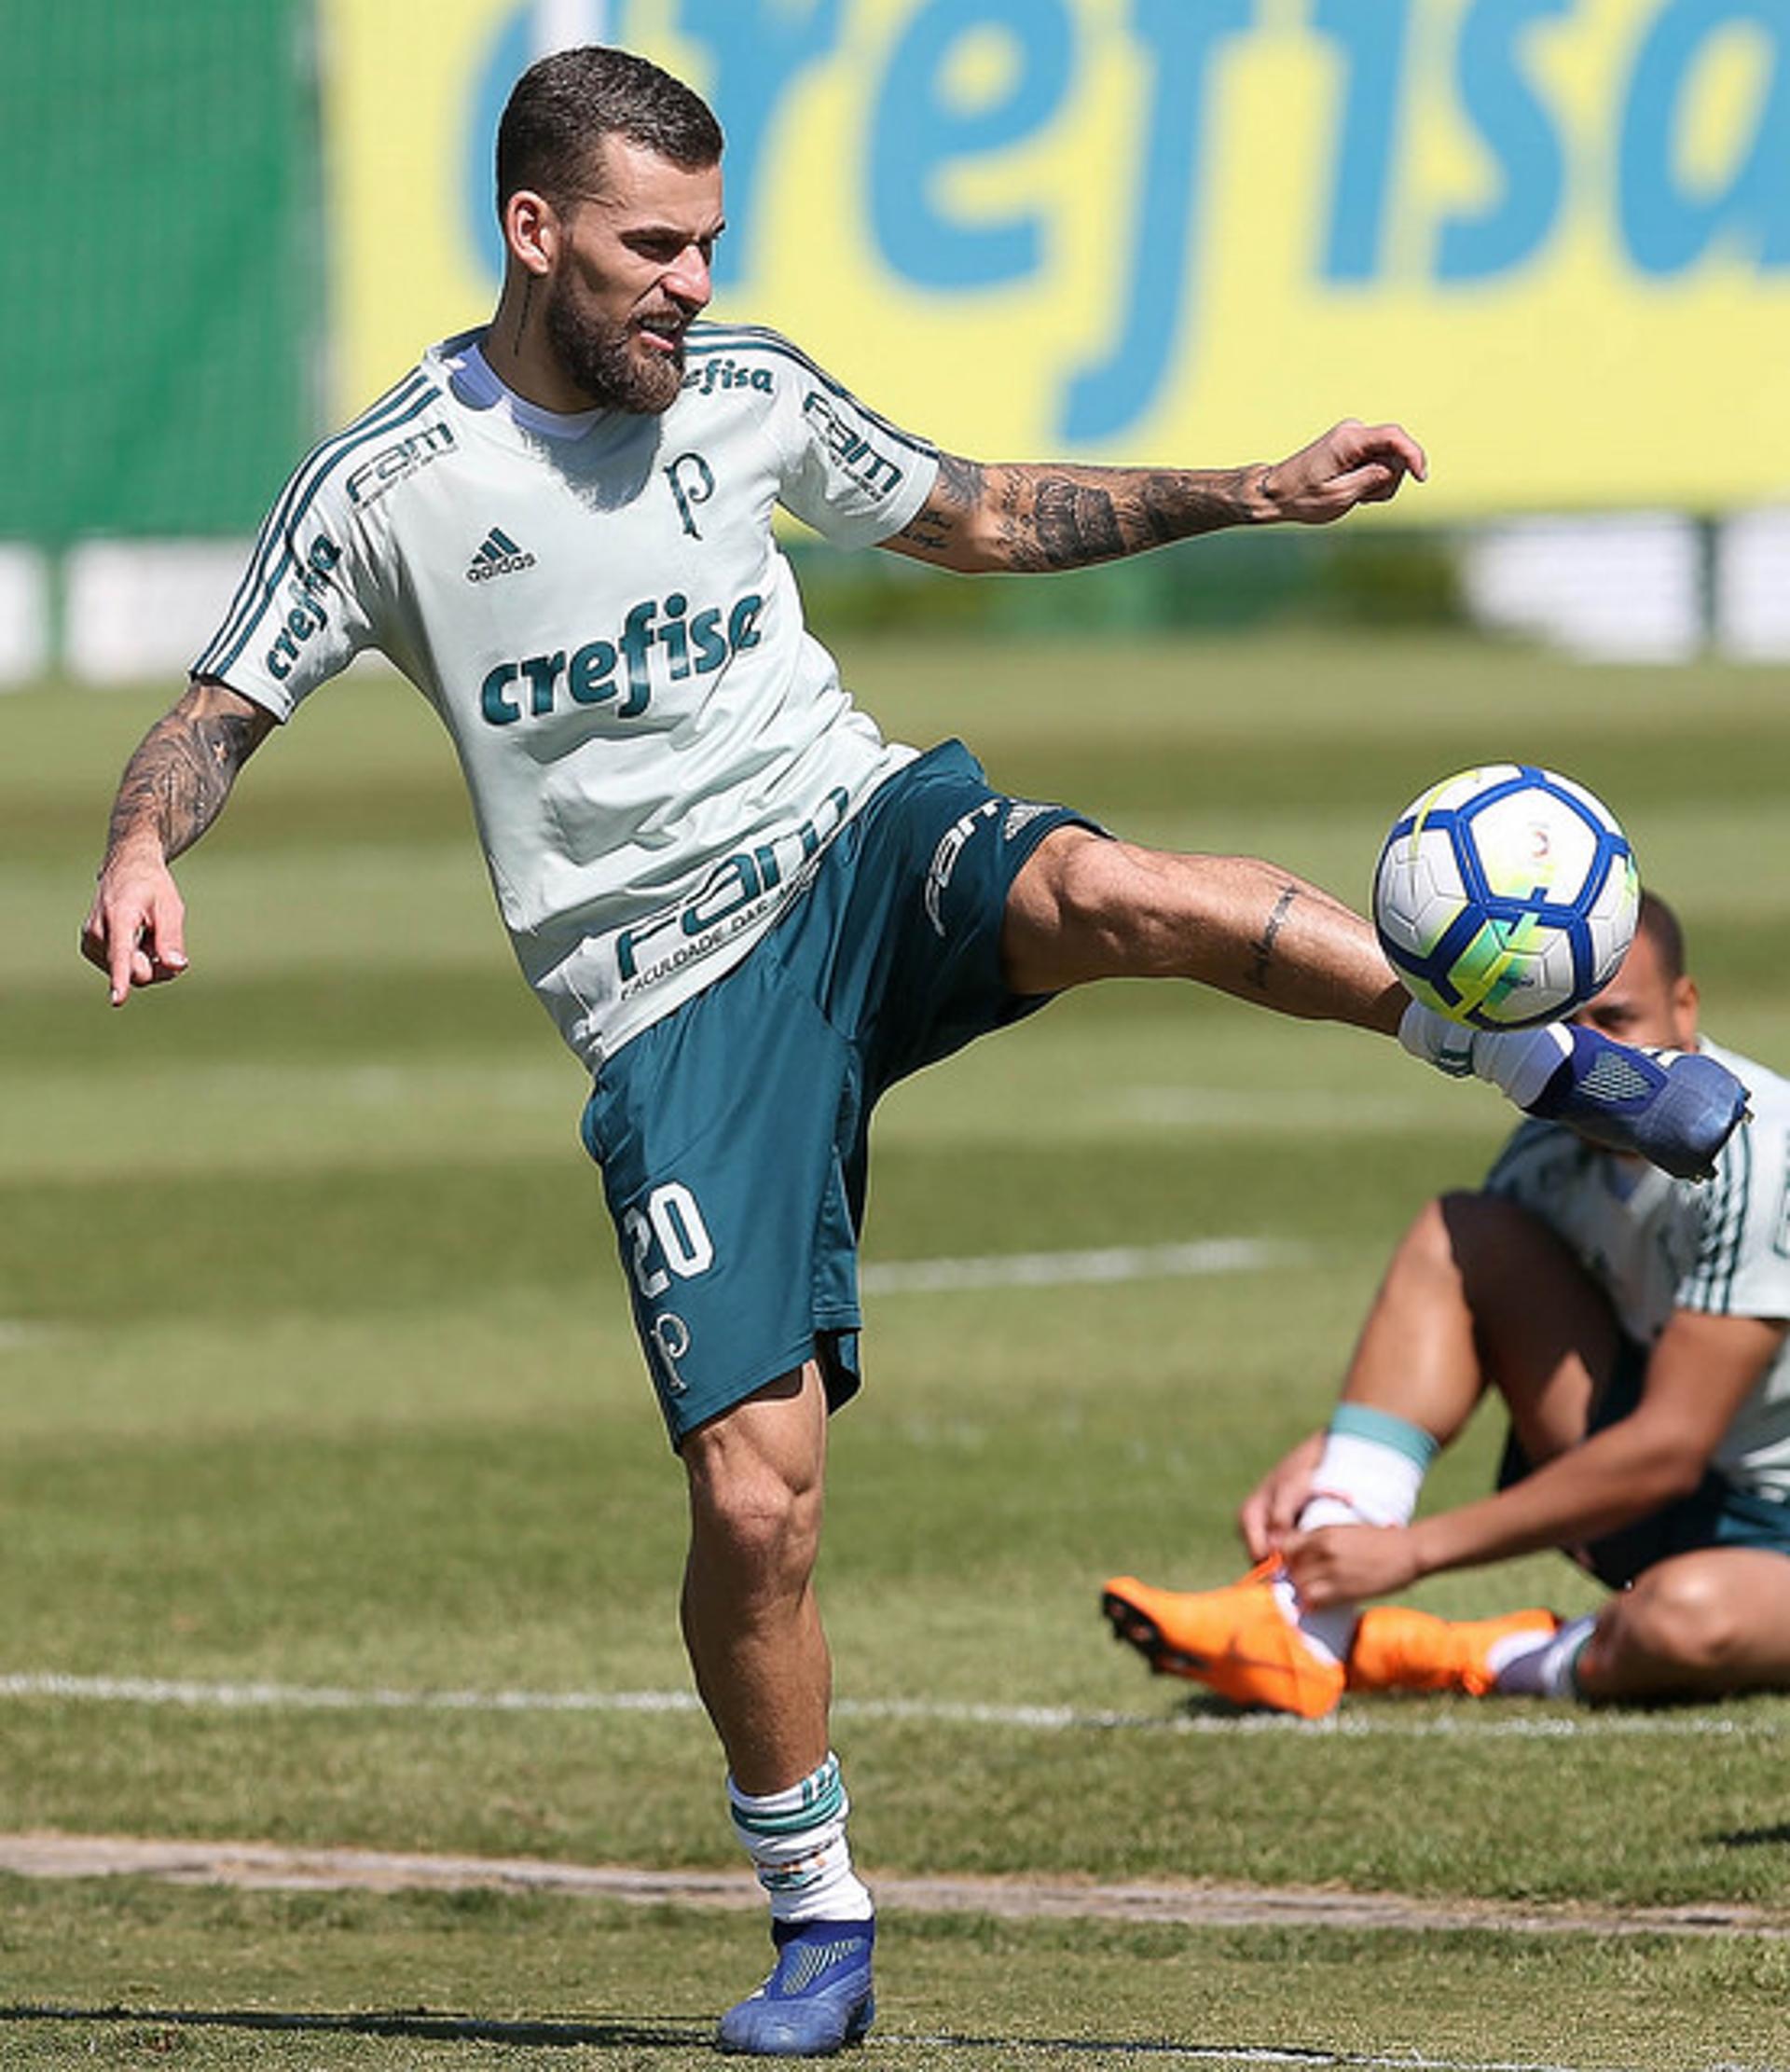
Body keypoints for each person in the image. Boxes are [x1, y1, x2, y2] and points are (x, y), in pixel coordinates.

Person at [81, 46, 1746, 2057]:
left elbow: (974, 510)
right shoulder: (390, 483)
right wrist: (141, 843)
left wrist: (1255, 491)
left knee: (1122, 893)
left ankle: (1535, 1064)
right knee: (757, 1502)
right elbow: (215, 709)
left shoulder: (751, 386)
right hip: (671, 1005)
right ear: (533, 233)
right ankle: (820, 1916)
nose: (692, 283)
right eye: (649, 246)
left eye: (710, 240)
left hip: (852, 839)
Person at [1105, 892, 1790, 1721]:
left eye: (1619, 1018)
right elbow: (1467, 1308)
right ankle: (1299, 1622)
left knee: (1684, 1622)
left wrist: (1411, 1553)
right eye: (1570, 1031)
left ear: (1686, 1007)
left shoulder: (1761, 1150)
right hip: (1657, 1497)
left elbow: (1669, 1449)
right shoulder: (1553, 1135)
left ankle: (1440, 1648)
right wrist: (1334, 1458)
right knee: (1467, 1235)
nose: (1599, 1058)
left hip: (1750, 1521)